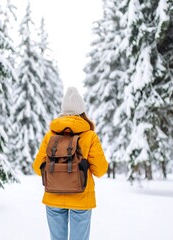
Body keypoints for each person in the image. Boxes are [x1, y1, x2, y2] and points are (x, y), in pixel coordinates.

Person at [32, 86, 108, 240]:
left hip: (53, 195)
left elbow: (38, 168)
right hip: (81, 197)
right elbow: (100, 170)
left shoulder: (50, 136)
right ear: (82, 111)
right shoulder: (90, 136)